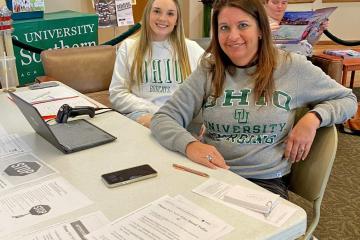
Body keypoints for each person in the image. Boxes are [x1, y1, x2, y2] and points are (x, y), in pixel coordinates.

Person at [151, 0, 357, 199]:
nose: (232, 36)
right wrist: (190, 145)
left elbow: (347, 99)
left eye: (243, 25)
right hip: (212, 173)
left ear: (260, 29)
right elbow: (163, 118)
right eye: (224, 27)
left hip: (265, 181)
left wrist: (314, 118)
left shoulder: (292, 67)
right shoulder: (209, 69)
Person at [109, 0, 204, 128]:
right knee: (160, 128)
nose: (163, 18)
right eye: (157, 11)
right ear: (148, 14)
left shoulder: (192, 49)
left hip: (184, 117)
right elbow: (117, 94)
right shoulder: (128, 47)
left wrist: (211, 116)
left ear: (177, 20)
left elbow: (217, 84)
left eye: (170, 14)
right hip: (144, 115)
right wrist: (155, 110)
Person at [263, 0, 329, 56]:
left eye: (284, 3)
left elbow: (310, 42)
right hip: (278, 61)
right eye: (275, 2)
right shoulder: (258, 23)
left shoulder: (291, 20)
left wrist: (318, 32)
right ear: (265, 3)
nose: (280, 6)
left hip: (302, 58)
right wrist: (264, 33)